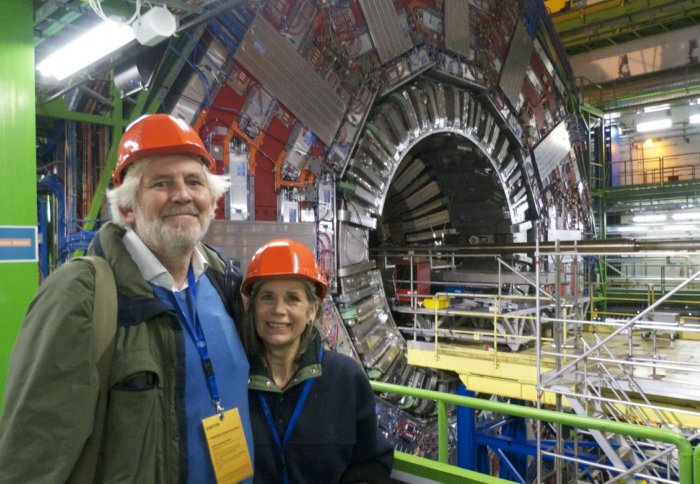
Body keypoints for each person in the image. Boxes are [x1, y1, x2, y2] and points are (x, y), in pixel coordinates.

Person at [0, 113, 254, 483]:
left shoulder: (222, 279)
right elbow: (33, 454)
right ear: (126, 208)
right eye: (162, 183)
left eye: (194, 182)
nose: (182, 194)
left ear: (212, 201)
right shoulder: (82, 294)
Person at [240, 238, 394, 484]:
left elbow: (370, 462)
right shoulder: (234, 379)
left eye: (293, 298)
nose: (278, 310)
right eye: (267, 297)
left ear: (312, 311)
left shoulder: (345, 378)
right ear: (253, 307)